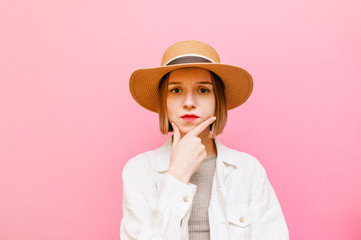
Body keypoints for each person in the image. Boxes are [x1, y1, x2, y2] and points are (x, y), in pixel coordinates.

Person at [120, 40, 289, 240]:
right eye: (176, 90)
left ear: (218, 100)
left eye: (203, 90)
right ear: (163, 102)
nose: (189, 103)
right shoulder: (139, 171)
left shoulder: (248, 171)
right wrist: (177, 175)